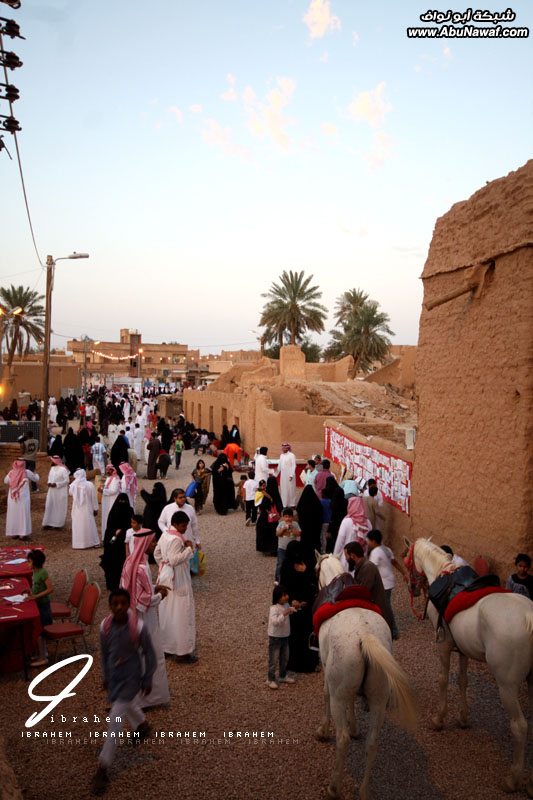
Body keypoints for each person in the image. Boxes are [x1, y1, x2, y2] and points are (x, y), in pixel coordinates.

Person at [90, 588, 156, 796]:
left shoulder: (138, 627)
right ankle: (142, 725)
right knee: (125, 704)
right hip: (116, 677)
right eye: (115, 603)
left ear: (129, 606)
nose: (119, 607)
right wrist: (106, 676)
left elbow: (150, 653)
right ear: (110, 606)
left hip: (131, 677)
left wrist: (147, 677)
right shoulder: (105, 626)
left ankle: (103, 766)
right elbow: (105, 653)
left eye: (123, 604)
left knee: (115, 718)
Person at [120, 530, 170, 707]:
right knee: (151, 654)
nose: (155, 544)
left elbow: (133, 589)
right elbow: (143, 599)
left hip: (130, 617)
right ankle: (149, 699)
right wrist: (160, 595)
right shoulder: (142, 567)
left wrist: (154, 587)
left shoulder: (129, 561)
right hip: (144, 618)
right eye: (153, 541)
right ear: (144, 543)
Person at [154, 511, 197, 662]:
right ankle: (182, 651)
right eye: (184, 526)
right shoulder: (176, 540)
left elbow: (157, 553)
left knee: (167, 612)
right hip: (177, 577)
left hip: (165, 575)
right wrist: (189, 550)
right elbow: (173, 559)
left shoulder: (165, 534)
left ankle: (167, 647)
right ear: (177, 525)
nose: (185, 529)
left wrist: (163, 566)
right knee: (181, 613)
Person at [279, 541, 318, 673]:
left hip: (305, 605)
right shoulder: (286, 566)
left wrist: (306, 571)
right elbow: (284, 586)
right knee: (295, 636)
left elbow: (313, 583)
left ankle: (307, 663)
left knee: (305, 635)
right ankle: (295, 663)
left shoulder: (304, 564)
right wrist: (292, 601)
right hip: (293, 607)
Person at [344, 541, 394, 632]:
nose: (346, 559)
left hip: (380, 619)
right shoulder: (361, 567)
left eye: (346, 556)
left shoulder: (367, 568)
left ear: (352, 556)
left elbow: (363, 592)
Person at [366, 529, 407, 640]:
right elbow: (395, 562)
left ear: (374, 541)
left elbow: (371, 568)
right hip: (389, 581)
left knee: (386, 607)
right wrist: (404, 573)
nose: (368, 543)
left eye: (369, 541)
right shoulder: (386, 549)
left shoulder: (375, 552)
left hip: (383, 583)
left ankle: (393, 631)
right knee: (385, 606)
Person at [100, 493, 134, 590]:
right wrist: (114, 532)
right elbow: (109, 528)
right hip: (114, 543)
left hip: (125, 542)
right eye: (121, 501)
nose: (123, 503)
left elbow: (132, 525)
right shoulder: (114, 511)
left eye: (125, 501)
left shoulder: (130, 511)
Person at [26, 549, 53, 667]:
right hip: (39, 604)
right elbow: (37, 586)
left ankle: (43, 657)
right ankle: (42, 653)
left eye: (29, 561)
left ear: (35, 563)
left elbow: (50, 589)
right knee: (38, 631)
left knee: (40, 631)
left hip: (43, 606)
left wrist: (36, 596)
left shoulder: (42, 573)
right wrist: (30, 591)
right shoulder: (35, 572)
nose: (27, 563)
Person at [267, 584, 296, 689]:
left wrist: (295, 608)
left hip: (285, 636)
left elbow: (290, 612)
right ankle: (270, 679)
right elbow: (275, 622)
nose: (286, 597)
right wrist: (285, 613)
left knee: (284, 658)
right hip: (275, 637)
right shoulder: (274, 608)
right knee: (273, 659)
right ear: (277, 597)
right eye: (283, 595)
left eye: (286, 594)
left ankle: (282, 676)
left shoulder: (286, 605)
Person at [4, 458, 39, 540]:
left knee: (13, 515)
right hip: (23, 498)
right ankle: (22, 535)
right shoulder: (27, 472)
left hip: (13, 498)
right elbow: (36, 478)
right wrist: (36, 473)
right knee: (23, 515)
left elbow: (6, 481)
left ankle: (14, 533)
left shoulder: (11, 472)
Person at [334, 497, 369, 570]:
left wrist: (335, 557)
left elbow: (340, 542)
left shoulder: (346, 522)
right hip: (361, 561)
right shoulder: (368, 523)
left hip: (347, 560)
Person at [70, 468, 100, 549]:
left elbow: (70, 493)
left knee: (78, 525)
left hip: (77, 509)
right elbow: (94, 498)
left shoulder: (73, 485)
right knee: (89, 525)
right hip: (87, 508)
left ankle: (78, 544)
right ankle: (93, 542)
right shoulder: (89, 484)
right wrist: (95, 508)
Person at [255, 478, 282, 555]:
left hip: (265, 517)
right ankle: (273, 549)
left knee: (262, 530)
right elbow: (280, 506)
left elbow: (263, 506)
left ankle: (265, 548)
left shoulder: (267, 493)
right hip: (274, 518)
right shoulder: (276, 493)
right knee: (273, 534)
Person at [295, 485, 323, 558]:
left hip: (305, 529)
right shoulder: (317, 503)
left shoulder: (302, 502)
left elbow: (298, 510)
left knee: (305, 542)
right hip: (314, 529)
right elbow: (320, 513)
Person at [42, 456, 69, 529]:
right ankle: (48, 523)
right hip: (51, 491)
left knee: (59, 506)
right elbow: (49, 478)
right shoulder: (52, 469)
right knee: (50, 505)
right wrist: (49, 483)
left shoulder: (63, 469)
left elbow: (66, 481)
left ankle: (58, 524)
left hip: (60, 491)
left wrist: (57, 484)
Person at [275, 508, 301, 582]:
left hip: (292, 549)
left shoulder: (295, 524)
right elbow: (277, 533)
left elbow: (299, 533)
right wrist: (283, 529)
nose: (288, 519)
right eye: (286, 517)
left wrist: (292, 528)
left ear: (292, 517)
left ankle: (291, 578)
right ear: (283, 517)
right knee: (280, 563)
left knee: (292, 563)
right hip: (282, 547)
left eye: (289, 517)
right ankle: (277, 579)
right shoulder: (281, 524)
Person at [101, 465, 121, 540]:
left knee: (111, 517)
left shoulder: (116, 479)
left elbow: (114, 490)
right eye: (107, 470)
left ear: (113, 470)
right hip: (106, 501)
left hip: (112, 501)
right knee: (105, 518)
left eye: (109, 470)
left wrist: (103, 491)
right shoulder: (108, 478)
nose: (107, 471)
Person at [276, 443, 296, 507]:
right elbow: (279, 466)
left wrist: (291, 475)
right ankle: (284, 504)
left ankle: (292, 504)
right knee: (284, 490)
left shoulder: (292, 455)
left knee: (291, 490)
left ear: (288, 448)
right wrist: (275, 474)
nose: (284, 449)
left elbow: (293, 465)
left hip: (290, 475)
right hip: (283, 476)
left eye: (285, 447)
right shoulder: (281, 456)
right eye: (283, 448)